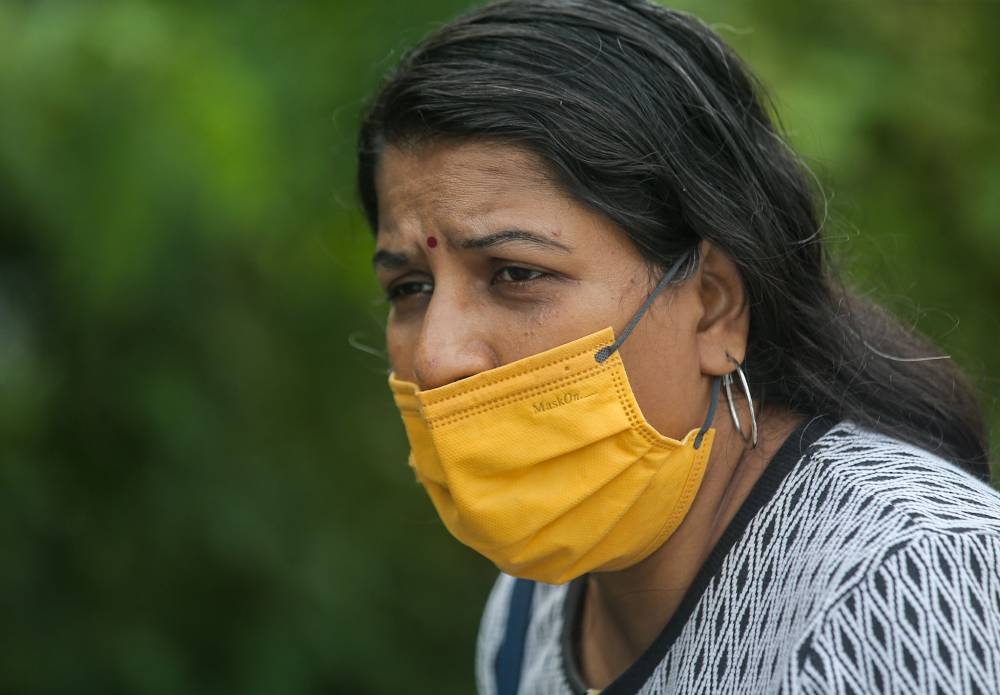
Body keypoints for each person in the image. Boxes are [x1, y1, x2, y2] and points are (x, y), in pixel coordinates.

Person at [355, 1, 1000, 693]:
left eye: (516, 273)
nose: (436, 356)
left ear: (714, 307)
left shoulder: (913, 581)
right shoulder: (527, 615)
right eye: (411, 288)